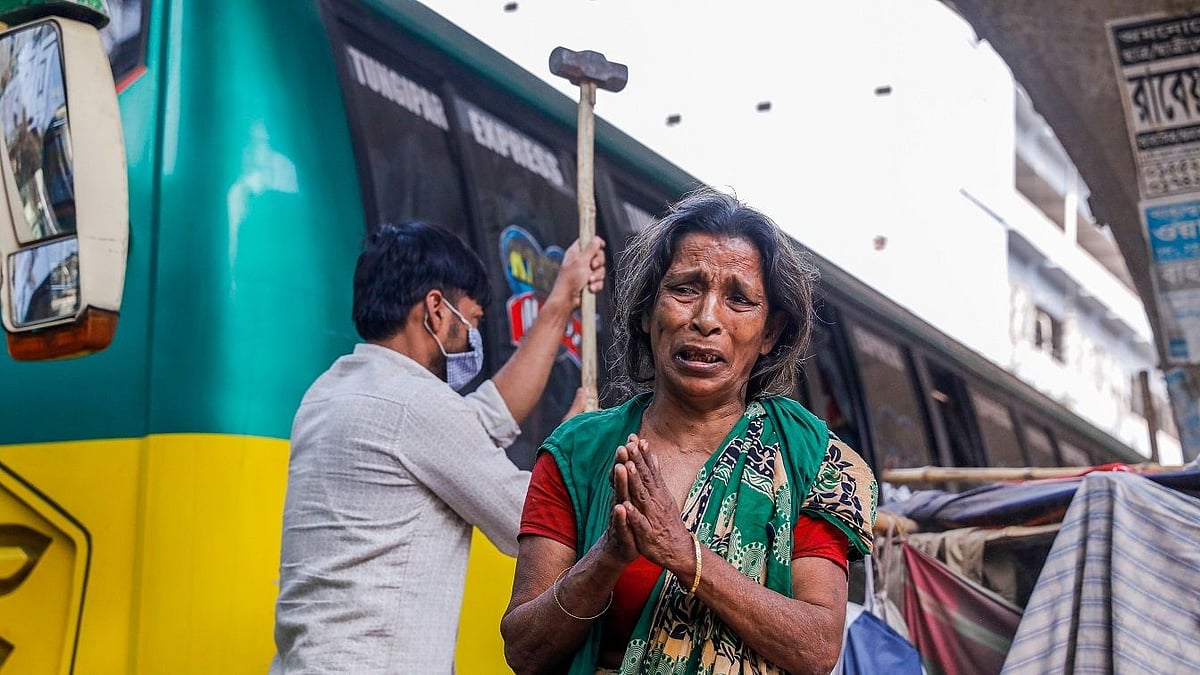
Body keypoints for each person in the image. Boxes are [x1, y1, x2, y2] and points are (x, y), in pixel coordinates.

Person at [501, 187, 877, 675]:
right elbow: (523, 651)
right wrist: (608, 558)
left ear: (770, 334)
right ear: (645, 311)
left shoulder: (806, 457)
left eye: (738, 299)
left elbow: (816, 649)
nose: (706, 319)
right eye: (685, 289)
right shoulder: (579, 453)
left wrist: (685, 554)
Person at [270, 221, 606, 674]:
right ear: (436, 309)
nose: (471, 337)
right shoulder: (414, 404)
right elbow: (523, 518)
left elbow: (490, 416)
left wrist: (563, 297)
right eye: (471, 320)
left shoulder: (330, 392)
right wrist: (576, 438)